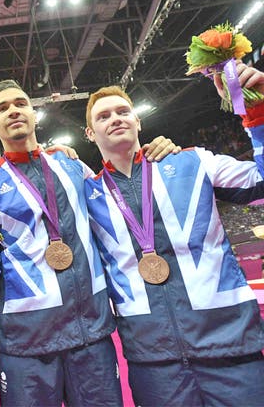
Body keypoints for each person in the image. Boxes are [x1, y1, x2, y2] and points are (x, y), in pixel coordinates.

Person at [0, 79, 177, 406]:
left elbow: (120, 205)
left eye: (20, 103)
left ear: (34, 113)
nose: (13, 111)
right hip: (25, 346)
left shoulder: (72, 166)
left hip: (90, 337)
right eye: (2, 108)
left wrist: (153, 154)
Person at [83, 69, 264, 406]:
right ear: (91, 133)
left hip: (230, 347)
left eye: (123, 112)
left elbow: (260, 179)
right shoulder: (84, 194)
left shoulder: (194, 161)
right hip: (153, 364)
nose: (115, 119)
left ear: (138, 122)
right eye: (103, 116)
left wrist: (257, 112)